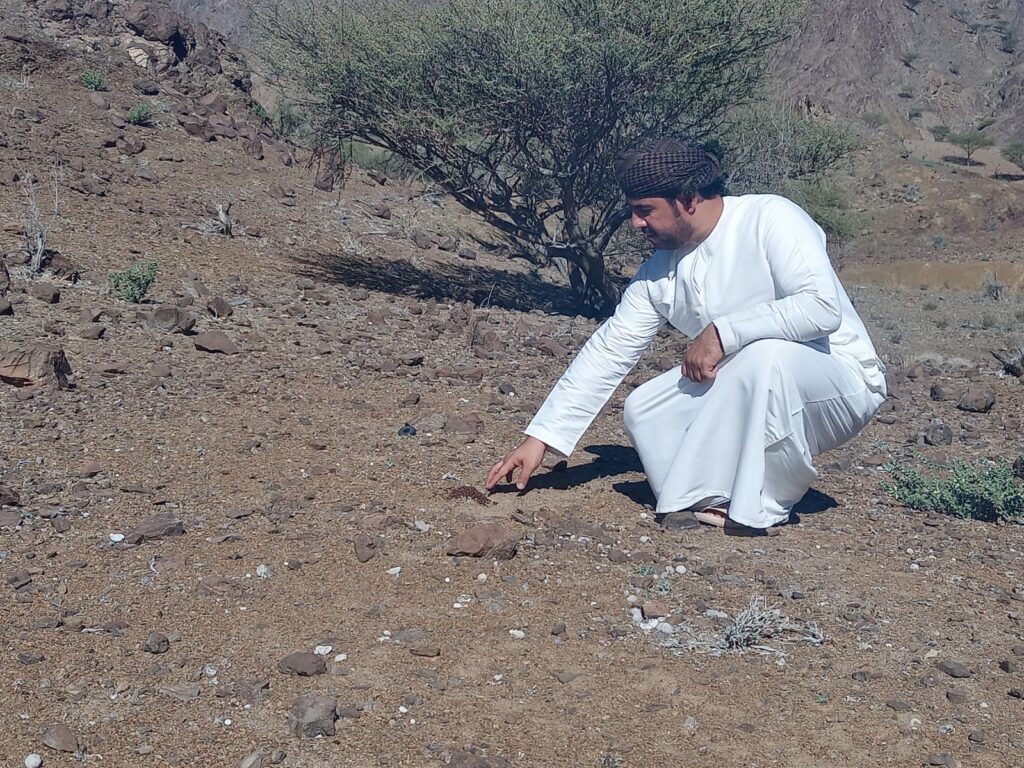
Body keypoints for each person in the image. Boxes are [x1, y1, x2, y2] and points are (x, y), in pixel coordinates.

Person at [484, 138, 886, 534]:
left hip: (840, 382)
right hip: (751, 382)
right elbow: (609, 350)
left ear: (688, 199)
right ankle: (711, 494)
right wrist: (540, 439)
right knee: (644, 408)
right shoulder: (658, 272)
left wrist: (722, 333)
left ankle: (760, 504)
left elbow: (821, 307)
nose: (635, 223)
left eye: (645, 210)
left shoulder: (770, 217)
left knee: (767, 358)